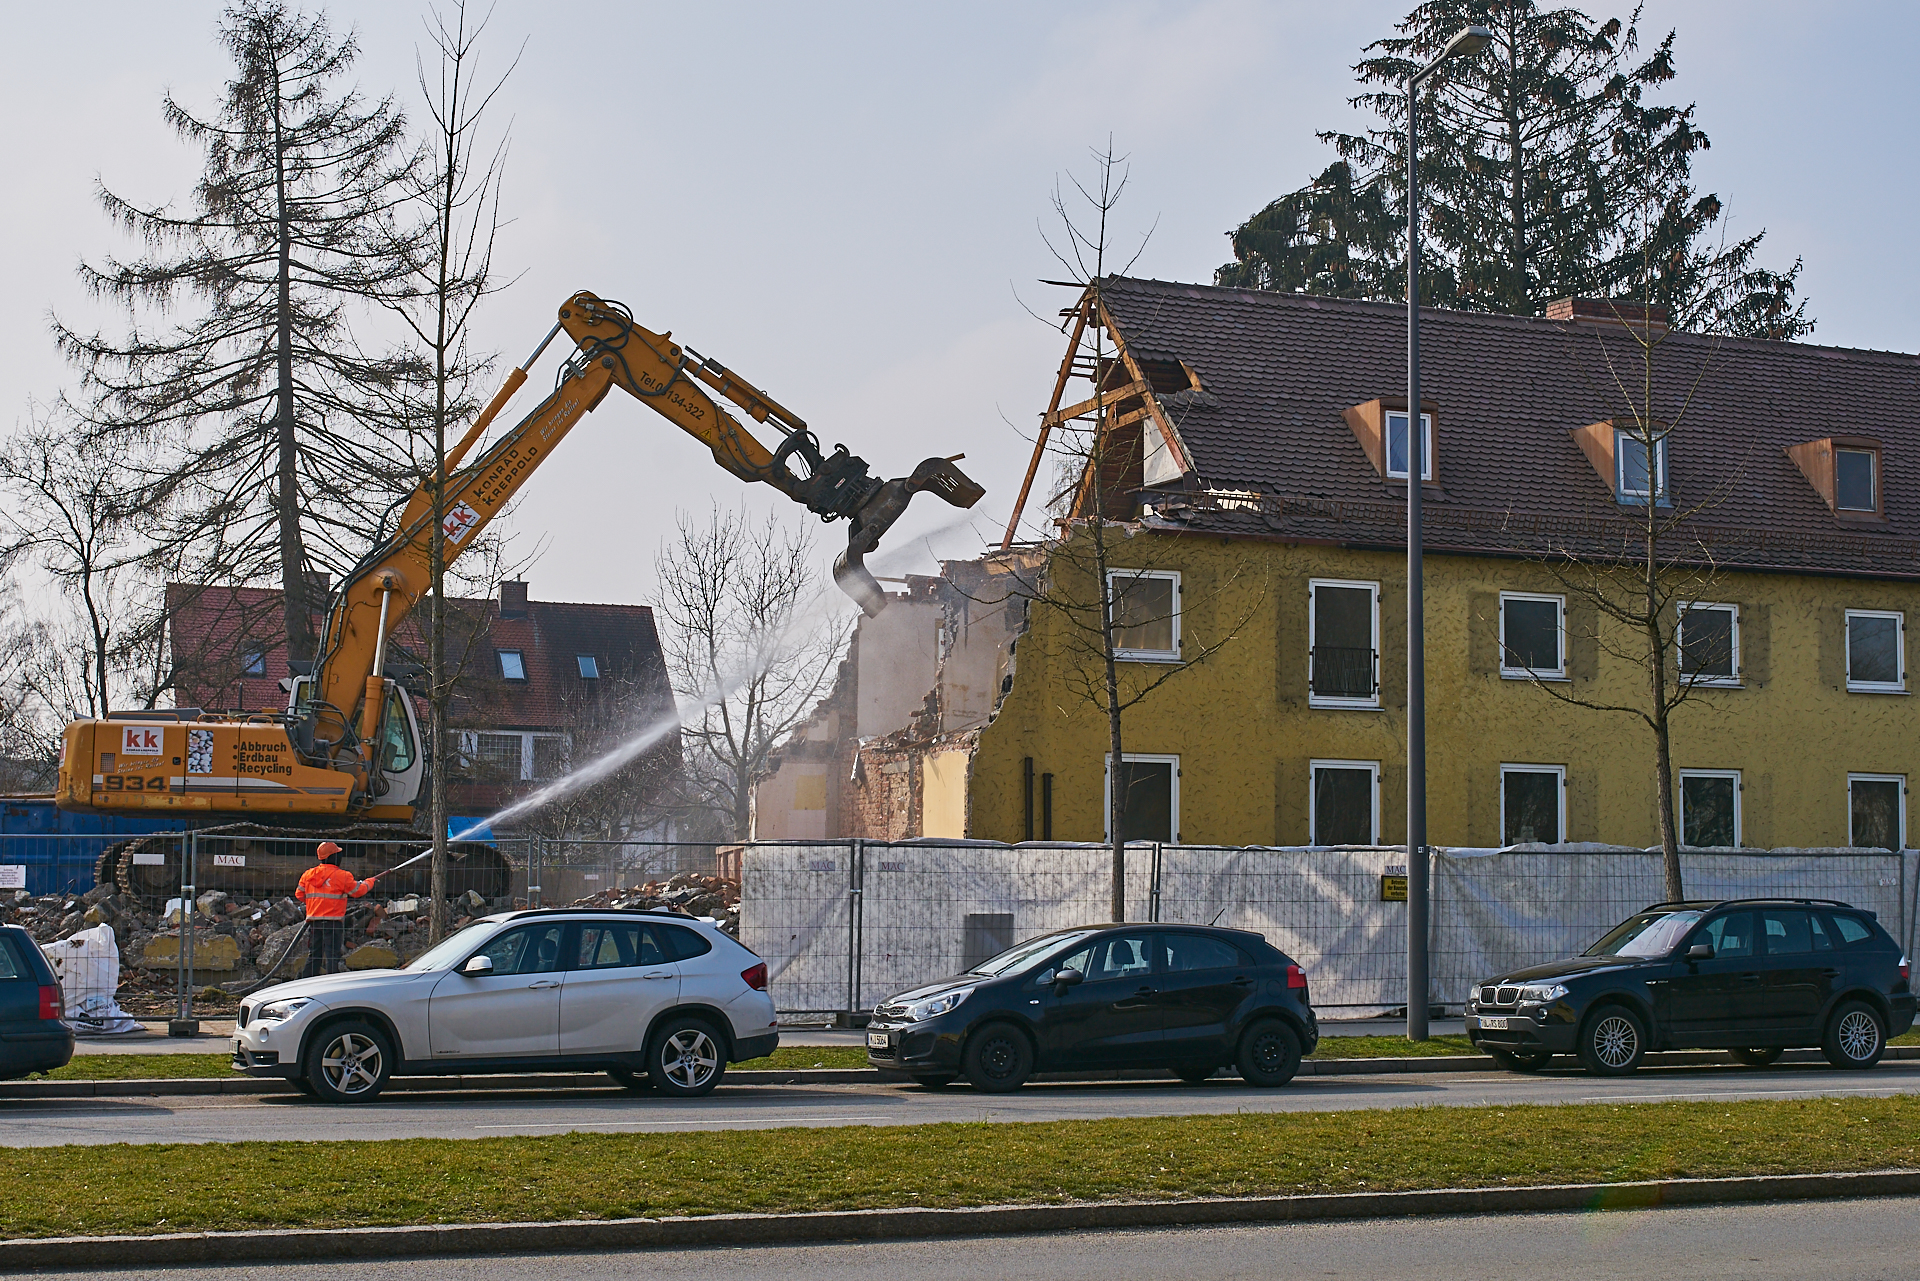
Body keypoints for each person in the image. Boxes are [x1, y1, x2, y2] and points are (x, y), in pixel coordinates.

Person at [295, 841, 375, 977]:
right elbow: (358, 891)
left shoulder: (308, 875)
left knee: (314, 954)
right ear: (334, 857)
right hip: (333, 922)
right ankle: (332, 983)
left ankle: (305, 981)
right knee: (333, 954)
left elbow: (299, 894)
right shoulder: (343, 876)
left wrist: (316, 904)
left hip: (314, 922)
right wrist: (370, 882)